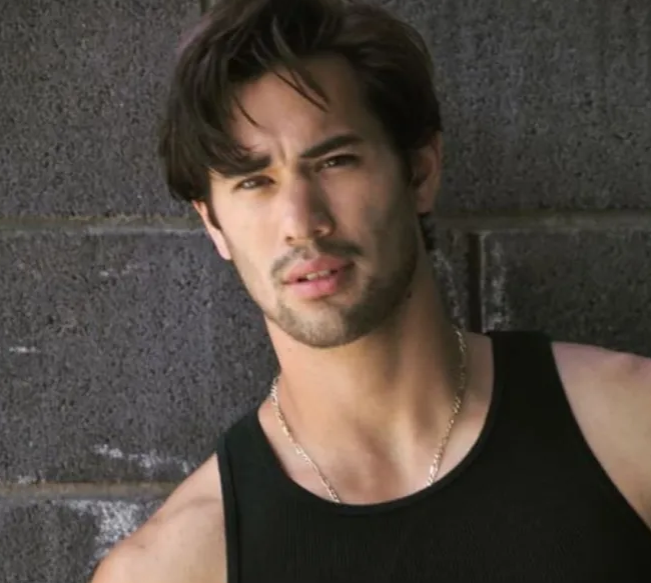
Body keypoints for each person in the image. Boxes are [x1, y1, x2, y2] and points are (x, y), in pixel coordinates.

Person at [92, 0, 651, 581]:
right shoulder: (173, 567)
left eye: (335, 161)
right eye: (254, 181)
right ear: (213, 223)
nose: (301, 222)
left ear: (420, 172)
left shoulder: (631, 426)